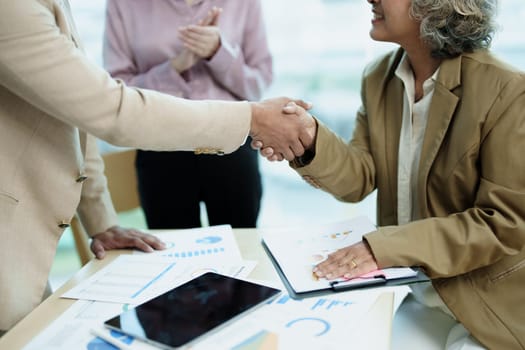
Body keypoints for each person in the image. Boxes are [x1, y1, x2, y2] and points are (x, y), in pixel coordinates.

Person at [0, 0, 315, 334]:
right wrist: (248, 115)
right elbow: (109, 106)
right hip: (153, 160)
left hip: (233, 153)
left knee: (245, 274)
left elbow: (76, 119)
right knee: (170, 284)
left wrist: (102, 222)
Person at [256, 0, 524, 348]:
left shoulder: (507, 90)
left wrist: (383, 248)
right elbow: (359, 179)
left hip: (491, 305)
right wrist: (309, 137)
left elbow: (503, 222)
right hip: (423, 294)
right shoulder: (379, 77)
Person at [103, 1, 273, 229]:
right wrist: (175, 67)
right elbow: (117, 92)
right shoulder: (123, 5)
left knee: (243, 248)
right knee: (173, 254)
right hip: (160, 146)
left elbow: (258, 85)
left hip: (232, 147)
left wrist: (218, 53)